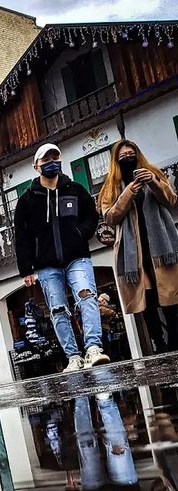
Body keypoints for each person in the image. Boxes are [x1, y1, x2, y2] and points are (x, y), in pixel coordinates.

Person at [14, 142, 109, 372]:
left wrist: (80, 234)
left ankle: (94, 348)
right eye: (46, 160)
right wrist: (26, 269)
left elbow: (91, 215)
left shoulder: (75, 190)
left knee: (87, 297)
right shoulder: (27, 200)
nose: (51, 163)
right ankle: (73, 357)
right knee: (57, 309)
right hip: (46, 265)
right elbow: (21, 235)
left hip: (77, 257)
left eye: (55, 158)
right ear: (36, 166)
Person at [98, 139, 178, 353]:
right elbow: (110, 217)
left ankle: (174, 340)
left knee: (170, 294)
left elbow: (171, 200)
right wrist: (129, 191)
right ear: (116, 160)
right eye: (123, 156)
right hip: (133, 250)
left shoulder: (154, 173)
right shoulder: (111, 186)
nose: (128, 158)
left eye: (131, 153)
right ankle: (159, 343)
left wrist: (153, 181)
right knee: (148, 297)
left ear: (138, 154)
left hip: (161, 245)